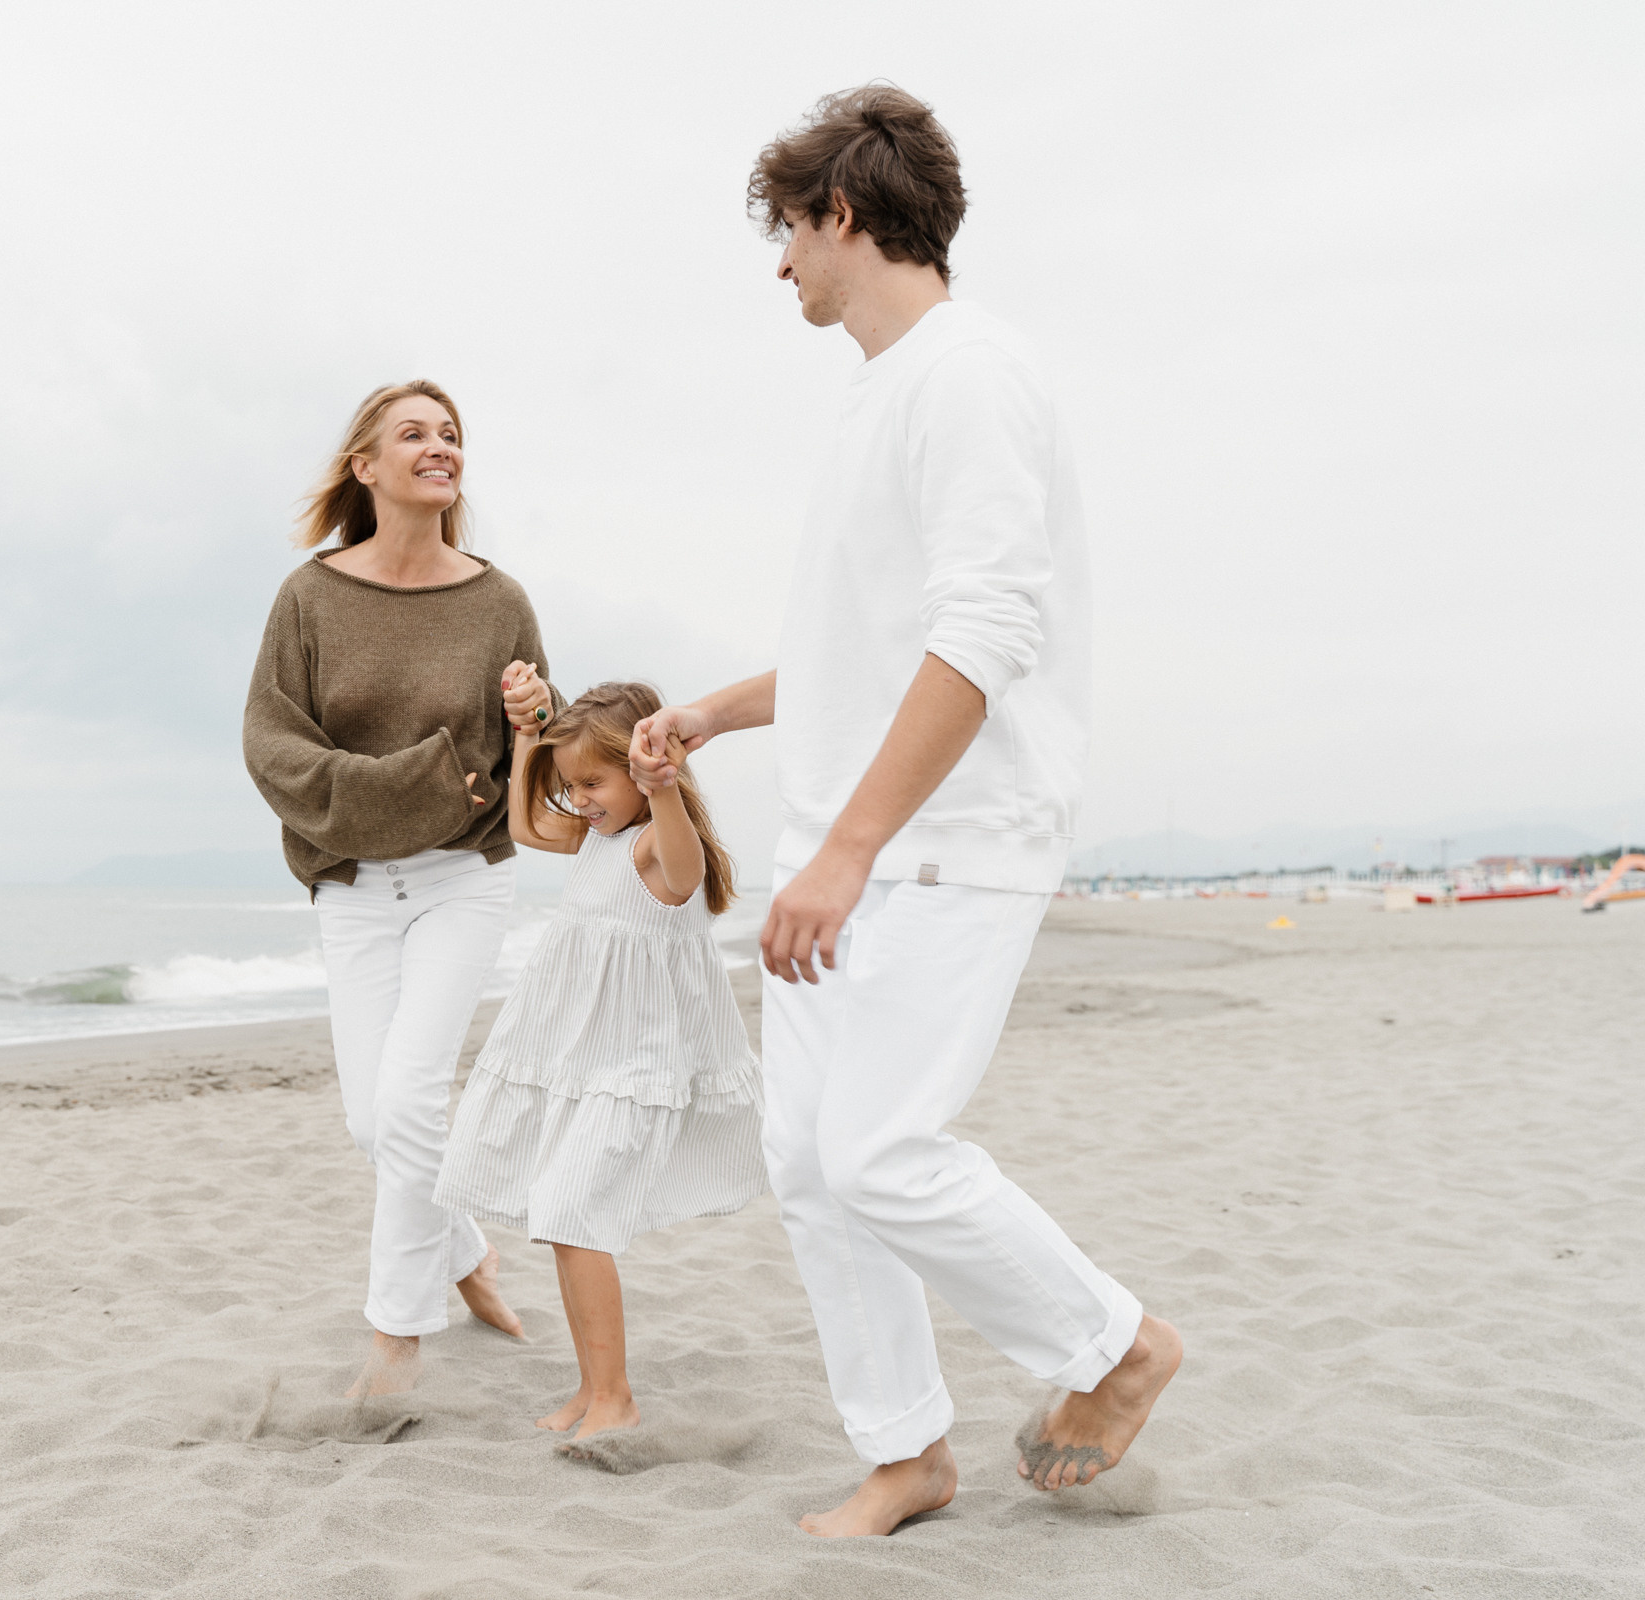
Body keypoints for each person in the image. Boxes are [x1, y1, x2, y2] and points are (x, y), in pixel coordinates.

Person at [630, 85, 1182, 1538]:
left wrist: (855, 847)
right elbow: (854, 653)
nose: (781, 267)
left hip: (942, 846)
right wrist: (709, 712)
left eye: (791, 232)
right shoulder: (882, 391)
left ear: (846, 215)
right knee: (813, 1171)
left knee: (882, 1153)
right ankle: (907, 1451)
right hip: (849, 849)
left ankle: (1110, 1347)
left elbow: (984, 632)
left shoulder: (971, 373)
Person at [242, 379, 559, 1397]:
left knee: (414, 1097)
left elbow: (539, 761)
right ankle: (463, 1249)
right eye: (413, 434)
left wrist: (535, 711)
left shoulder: (499, 600)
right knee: (376, 1124)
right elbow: (272, 742)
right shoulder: (311, 596)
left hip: (462, 878)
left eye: (452, 434)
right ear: (366, 467)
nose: (441, 447)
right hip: (349, 882)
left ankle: (396, 1337)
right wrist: (391, 787)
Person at [433, 680, 765, 1441]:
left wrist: (664, 789)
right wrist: (528, 743)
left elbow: (684, 875)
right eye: (572, 785)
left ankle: (615, 1397)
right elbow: (522, 822)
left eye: (592, 782)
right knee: (559, 1215)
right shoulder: (599, 840)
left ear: (640, 770)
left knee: (575, 1214)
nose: (578, 800)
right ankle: (593, 1388)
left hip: (638, 1071)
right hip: (584, 1066)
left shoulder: (654, 844)